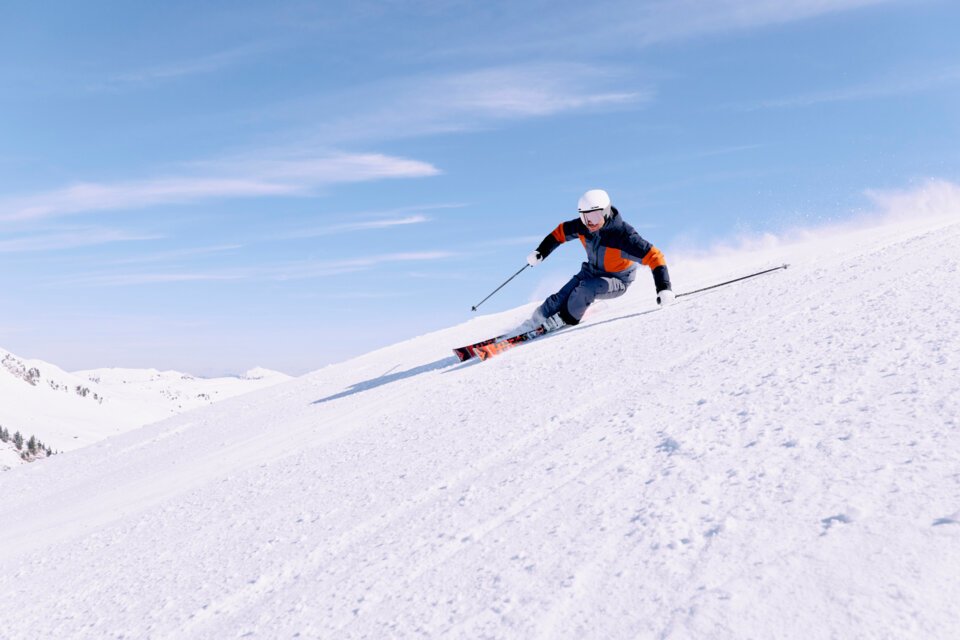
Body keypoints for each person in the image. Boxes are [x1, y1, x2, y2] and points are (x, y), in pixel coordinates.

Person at [516, 188, 674, 333]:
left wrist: (664, 288)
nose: (590, 223)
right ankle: (532, 323)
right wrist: (541, 252)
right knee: (559, 298)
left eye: (594, 217)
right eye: (585, 217)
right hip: (591, 270)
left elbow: (655, 256)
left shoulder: (622, 236)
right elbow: (559, 233)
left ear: (606, 212)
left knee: (586, 289)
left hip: (618, 279)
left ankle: (566, 318)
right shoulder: (583, 227)